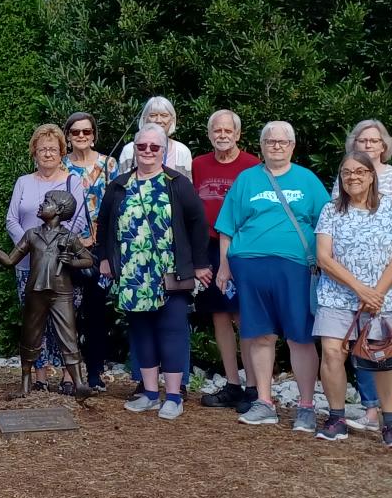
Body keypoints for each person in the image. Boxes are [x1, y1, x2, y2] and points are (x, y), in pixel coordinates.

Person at [215, 122, 329, 431]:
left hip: (295, 268)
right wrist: (224, 266)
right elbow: (228, 226)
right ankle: (264, 401)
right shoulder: (247, 179)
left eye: (282, 141)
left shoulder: (307, 180)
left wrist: (325, 261)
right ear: (262, 146)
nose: (276, 146)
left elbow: (328, 223)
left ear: (292, 146)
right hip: (250, 266)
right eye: (270, 141)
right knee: (259, 334)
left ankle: (306, 406)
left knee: (300, 336)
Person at [98, 125, 213, 418]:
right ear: (134, 149)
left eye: (154, 147)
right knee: (141, 330)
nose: (147, 151)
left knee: (172, 330)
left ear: (163, 151)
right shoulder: (119, 185)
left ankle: (173, 396)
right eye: (142, 146)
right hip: (133, 272)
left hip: (169, 272)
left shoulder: (177, 183)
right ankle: (149, 392)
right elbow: (105, 223)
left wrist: (200, 264)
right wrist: (105, 259)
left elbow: (199, 222)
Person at [313, 152, 392, 446]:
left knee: (383, 358)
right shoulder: (331, 211)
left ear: (372, 175)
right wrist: (360, 289)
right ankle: (336, 417)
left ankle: (390, 423)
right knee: (332, 353)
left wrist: (376, 293)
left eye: (360, 172)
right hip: (337, 295)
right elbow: (323, 256)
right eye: (346, 173)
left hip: (382, 298)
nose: (353, 177)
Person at [5, 123, 90, 391]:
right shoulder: (23, 182)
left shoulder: (71, 181)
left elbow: (77, 221)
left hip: (61, 267)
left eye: (53, 149)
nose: (47, 154)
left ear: (61, 152)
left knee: (65, 322)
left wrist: (58, 248)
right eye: (42, 149)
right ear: (34, 153)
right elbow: (11, 219)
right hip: (28, 264)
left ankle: (67, 376)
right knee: (34, 322)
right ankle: (39, 375)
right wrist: (31, 245)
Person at [344, 119, 392, 428]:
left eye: (374, 140)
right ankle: (370, 408)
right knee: (360, 342)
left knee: (384, 343)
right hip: (349, 276)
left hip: (386, 272)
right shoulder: (344, 173)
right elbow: (338, 214)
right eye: (362, 140)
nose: (368, 145)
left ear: (385, 145)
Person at [0, 189, 93, 394]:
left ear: (60, 210)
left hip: (62, 293)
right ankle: (25, 384)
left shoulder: (69, 237)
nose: (41, 204)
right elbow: (10, 260)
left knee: (68, 337)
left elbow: (88, 260)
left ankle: (79, 383)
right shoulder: (32, 234)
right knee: (30, 336)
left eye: (47, 201)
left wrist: (71, 262)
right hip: (36, 291)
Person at [192, 109, 259, 409]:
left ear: (237, 135)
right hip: (208, 246)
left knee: (245, 317)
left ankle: (254, 386)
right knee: (219, 315)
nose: (222, 136)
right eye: (216, 131)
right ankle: (232, 382)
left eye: (227, 131)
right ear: (209, 135)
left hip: (243, 247)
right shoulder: (198, 164)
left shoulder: (252, 166)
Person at [63, 109, 119, 390]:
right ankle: (69, 375)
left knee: (96, 311)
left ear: (94, 135)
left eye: (86, 131)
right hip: (69, 247)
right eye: (76, 132)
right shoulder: (61, 165)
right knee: (67, 311)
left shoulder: (110, 165)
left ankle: (95, 373)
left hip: (99, 247)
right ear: (68, 137)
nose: (81, 136)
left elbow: (116, 206)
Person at [114, 95, 193, 173]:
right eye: (153, 115)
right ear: (144, 119)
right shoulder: (130, 150)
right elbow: (121, 183)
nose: (158, 120)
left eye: (164, 116)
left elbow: (187, 184)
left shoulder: (182, 151)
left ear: (172, 120)